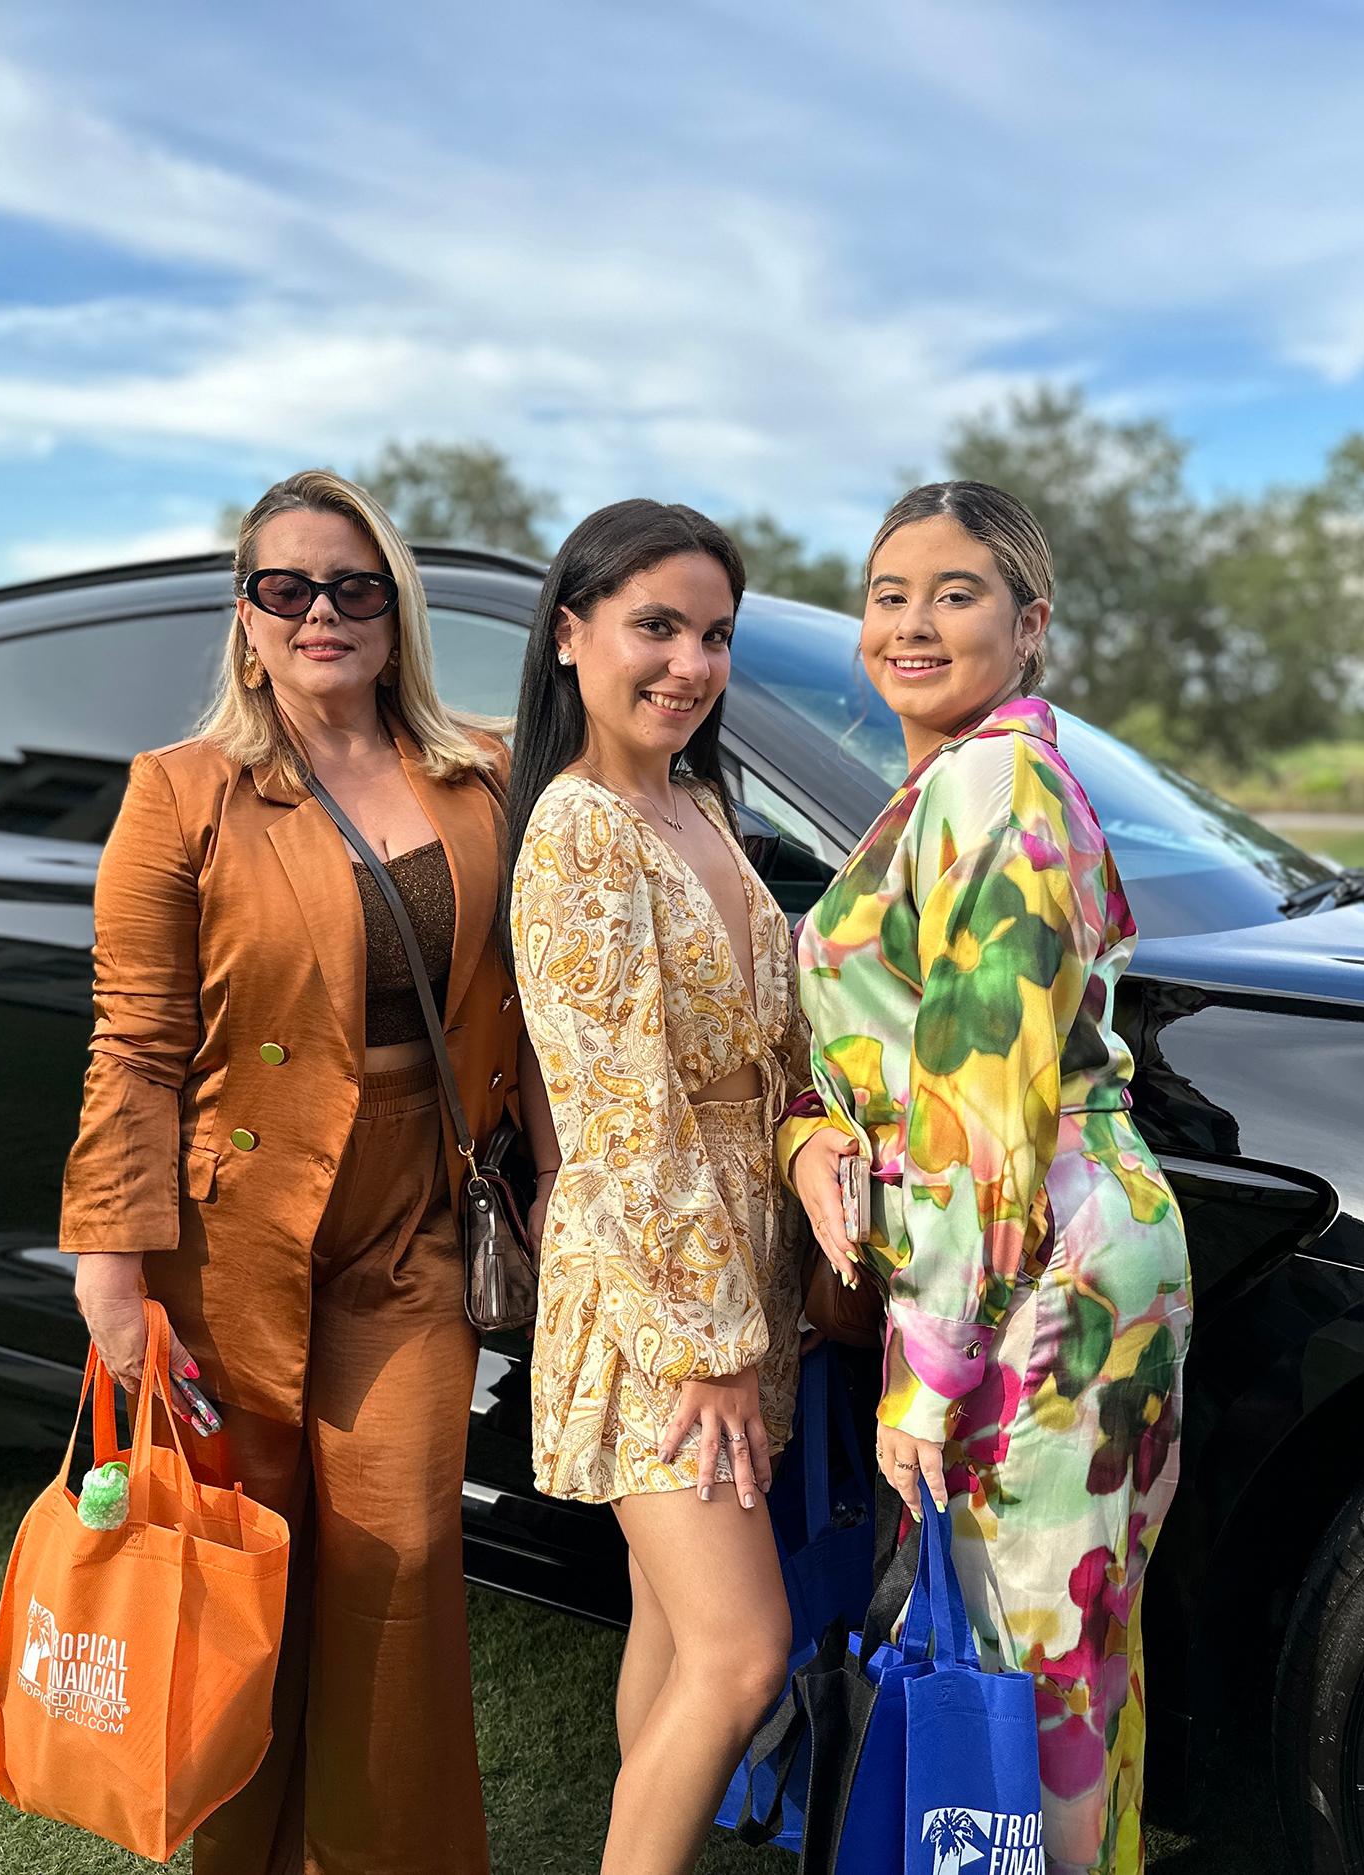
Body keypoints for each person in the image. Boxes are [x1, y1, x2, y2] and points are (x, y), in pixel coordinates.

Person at [59, 469, 535, 1875]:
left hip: (416, 1218)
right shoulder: (180, 792)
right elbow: (136, 1044)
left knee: (398, 1565)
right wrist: (111, 1267)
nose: (321, 611)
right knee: (242, 1562)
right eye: (287, 587)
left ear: (397, 609)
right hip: (231, 1235)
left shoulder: (486, 774)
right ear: (246, 616)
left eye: (353, 586)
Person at [783, 481, 1193, 1875]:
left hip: (1030, 1277)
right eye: (888, 595)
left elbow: (982, 1101)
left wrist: (931, 1367)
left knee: (1026, 1673)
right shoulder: (981, 777)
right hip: (1072, 1247)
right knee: (1073, 1659)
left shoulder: (988, 784)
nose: (911, 623)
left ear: (1028, 625)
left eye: (954, 595)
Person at [503, 499, 814, 1875]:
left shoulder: (697, 806)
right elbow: (622, 1116)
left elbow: (764, 1047)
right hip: (661, 1302)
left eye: (715, 635)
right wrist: (712, 1346)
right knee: (744, 1654)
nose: (691, 664)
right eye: (657, 627)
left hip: (736, 1272)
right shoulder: (581, 832)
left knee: (678, 1629)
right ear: (571, 635)